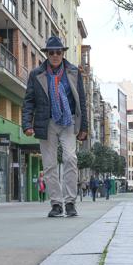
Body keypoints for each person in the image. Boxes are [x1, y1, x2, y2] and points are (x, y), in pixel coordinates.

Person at [22, 36, 88, 217]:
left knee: (70, 159)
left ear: (63, 53)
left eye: (59, 52)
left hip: (68, 121)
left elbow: (81, 100)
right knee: (50, 165)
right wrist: (27, 124)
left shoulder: (73, 72)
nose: (55, 55)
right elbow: (29, 101)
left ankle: (70, 202)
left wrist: (84, 128)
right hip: (47, 122)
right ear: (47, 54)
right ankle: (56, 204)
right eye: (52, 52)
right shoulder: (36, 74)